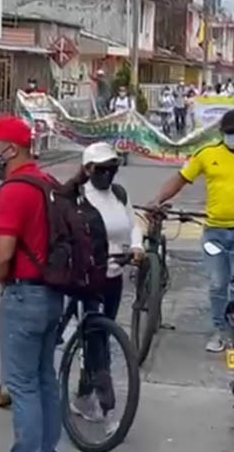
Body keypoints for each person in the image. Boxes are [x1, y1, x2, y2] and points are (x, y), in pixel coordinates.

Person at [0, 116, 64, 452]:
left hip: (23, 297)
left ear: (11, 149)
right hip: (52, 295)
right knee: (45, 380)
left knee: (22, 386)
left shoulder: (13, 191)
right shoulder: (48, 182)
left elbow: (3, 252)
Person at [150, 110, 234, 352]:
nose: (233, 137)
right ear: (222, 133)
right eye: (229, 133)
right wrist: (157, 199)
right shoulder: (207, 155)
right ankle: (221, 330)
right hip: (214, 234)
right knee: (217, 283)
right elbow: (180, 179)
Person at [61, 142, 144, 424]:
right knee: (93, 335)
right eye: (102, 168)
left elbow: (134, 225)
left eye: (113, 168)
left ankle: (85, 392)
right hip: (86, 278)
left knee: (101, 333)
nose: (109, 174)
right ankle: (98, 381)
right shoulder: (77, 197)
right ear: (88, 170)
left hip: (113, 275)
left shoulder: (119, 194)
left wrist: (136, 247)